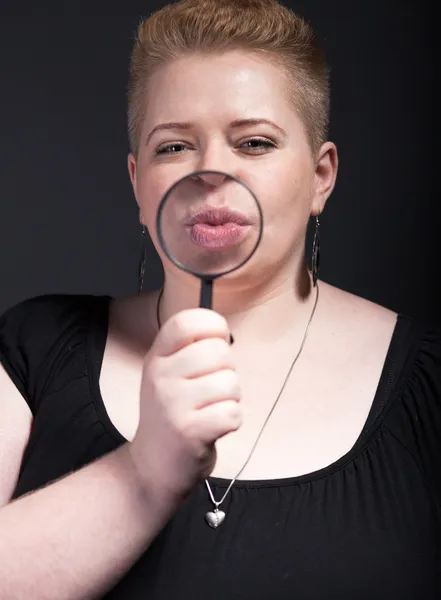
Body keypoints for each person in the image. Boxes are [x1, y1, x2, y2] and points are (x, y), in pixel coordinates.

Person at [0, 0, 439, 598]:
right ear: (137, 183)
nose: (211, 172)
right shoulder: (30, 351)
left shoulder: (429, 381)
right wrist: (143, 471)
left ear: (321, 176)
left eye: (254, 143)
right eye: (174, 147)